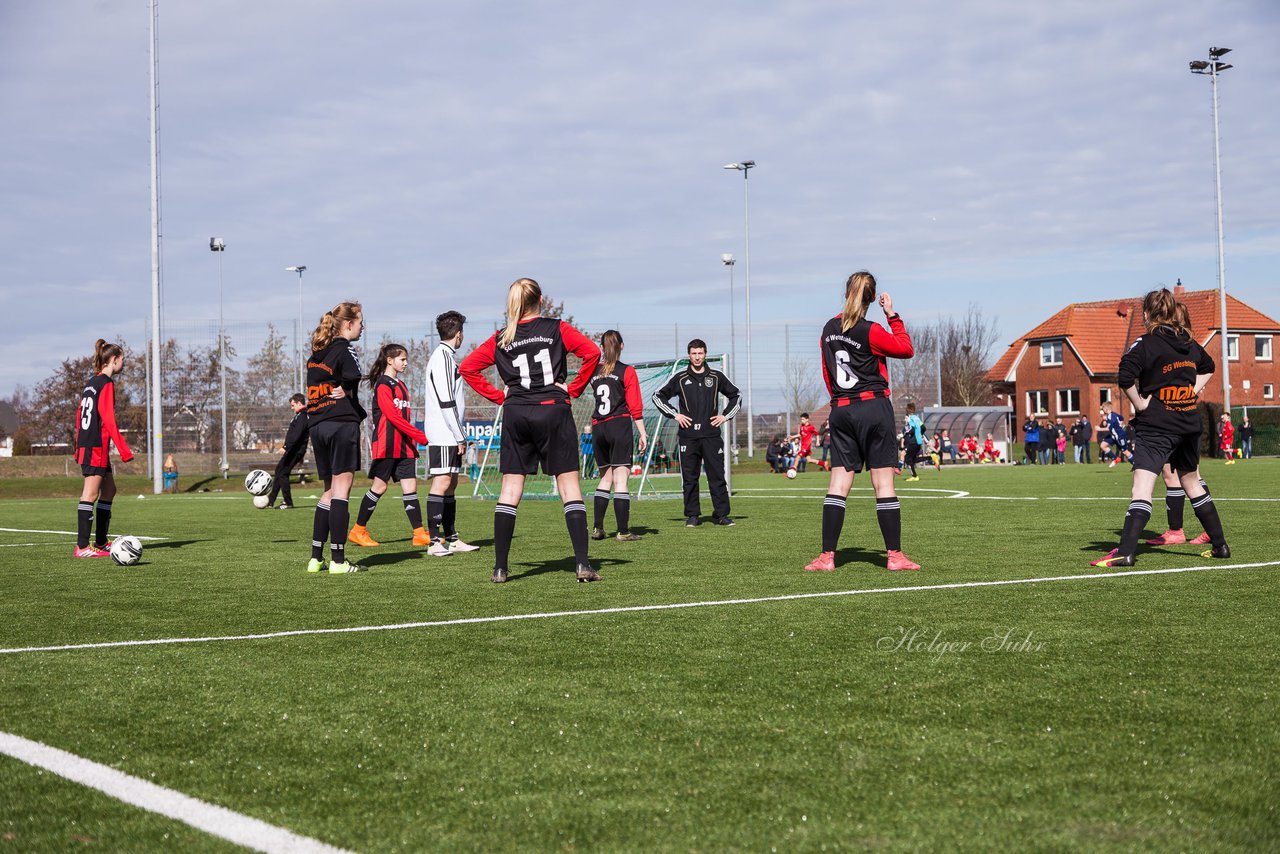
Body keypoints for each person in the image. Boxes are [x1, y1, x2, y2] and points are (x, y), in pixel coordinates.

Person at [460, 277, 602, 583]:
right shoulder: (557, 328)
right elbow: (592, 353)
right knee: (569, 486)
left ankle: (500, 568)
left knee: (510, 489)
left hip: (517, 413)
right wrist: (574, 389)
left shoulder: (502, 337)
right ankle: (582, 564)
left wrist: (501, 397)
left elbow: (467, 368)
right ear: (541, 300)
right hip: (553, 409)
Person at [1091, 289, 1230, 567]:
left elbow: (1125, 375)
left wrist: (1140, 404)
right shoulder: (1188, 341)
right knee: (1192, 482)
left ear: (1146, 314)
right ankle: (1220, 546)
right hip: (1189, 422)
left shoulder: (1145, 343)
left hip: (1158, 424)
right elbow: (1209, 365)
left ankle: (1125, 552)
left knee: (1141, 488)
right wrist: (1192, 390)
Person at [804, 271, 919, 572]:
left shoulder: (829, 328)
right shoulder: (871, 330)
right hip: (873, 408)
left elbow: (828, 374)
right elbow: (906, 349)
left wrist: (838, 404)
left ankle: (827, 557)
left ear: (846, 293)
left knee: (838, 484)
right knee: (883, 484)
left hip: (841, 410)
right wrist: (892, 315)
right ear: (871, 297)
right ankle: (894, 556)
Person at [348, 342, 432, 552]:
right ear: (390, 360)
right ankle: (358, 530)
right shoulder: (383, 385)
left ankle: (419, 533)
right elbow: (393, 417)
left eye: (405, 360)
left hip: (404, 446)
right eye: (402, 359)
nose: (405, 363)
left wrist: (412, 439)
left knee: (410, 487)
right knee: (380, 487)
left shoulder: (401, 385)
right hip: (387, 445)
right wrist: (419, 435)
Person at [305, 301, 368, 574]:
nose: (363, 326)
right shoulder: (344, 347)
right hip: (340, 423)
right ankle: (339, 562)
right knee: (342, 492)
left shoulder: (316, 353)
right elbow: (354, 374)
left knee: (328, 492)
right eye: (361, 321)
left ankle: (316, 558)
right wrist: (346, 387)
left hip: (317, 425)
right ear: (348, 323)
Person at [652, 339, 741, 527]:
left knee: (717, 476)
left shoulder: (716, 377)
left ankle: (721, 514)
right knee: (690, 478)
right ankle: (693, 515)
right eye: (694, 353)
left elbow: (736, 395)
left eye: (700, 353)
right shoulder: (680, 378)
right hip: (688, 437)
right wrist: (675, 414)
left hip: (711, 436)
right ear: (689, 355)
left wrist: (725, 416)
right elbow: (657, 396)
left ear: (705, 354)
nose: (697, 357)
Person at [421, 311, 480, 555]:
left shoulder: (447, 357)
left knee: (452, 482)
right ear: (459, 334)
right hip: (443, 432)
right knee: (442, 481)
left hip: (449, 431)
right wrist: (459, 436)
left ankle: (452, 538)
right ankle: (434, 542)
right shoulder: (443, 357)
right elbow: (446, 401)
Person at [73, 339, 133, 558]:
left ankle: (100, 542)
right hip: (95, 446)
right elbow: (108, 419)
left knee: (109, 490)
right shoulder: (106, 384)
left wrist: (79, 445)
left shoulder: (91, 382)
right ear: (114, 360)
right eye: (123, 359)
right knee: (90, 493)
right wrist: (124, 451)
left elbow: (80, 415)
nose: (123, 363)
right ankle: (82, 547)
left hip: (89, 444)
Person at [589, 330, 648, 541]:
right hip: (618, 425)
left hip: (598, 427)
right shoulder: (627, 371)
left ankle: (597, 528)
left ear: (602, 348)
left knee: (605, 479)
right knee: (621, 480)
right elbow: (635, 407)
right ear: (621, 346)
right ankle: (623, 531)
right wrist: (643, 433)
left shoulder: (593, 372)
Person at [265, 393, 308, 509]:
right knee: (279, 470)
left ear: (299, 403)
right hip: (292, 449)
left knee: (283, 473)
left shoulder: (303, 416)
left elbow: (297, 434)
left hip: (296, 450)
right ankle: (270, 500)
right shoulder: (298, 415)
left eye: (293, 405)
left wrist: (285, 447)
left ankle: (288, 502)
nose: (291, 407)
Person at [902, 403, 924, 481]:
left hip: (912, 441)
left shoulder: (910, 418)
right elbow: (923, 428)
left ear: (907, 410)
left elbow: (912, 429)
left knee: (908, 459)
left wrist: (907, 433)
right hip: (918, 441)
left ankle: (914, 476)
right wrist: (919, 435)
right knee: (912, 459)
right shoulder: (917, 418)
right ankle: (931, 457)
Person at [1100, 402, 1125, 467]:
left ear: (1106, 409)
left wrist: (1099, 429)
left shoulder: (1111, 415)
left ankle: (1136, 465)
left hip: (1118, 435)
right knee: (1103, 445)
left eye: (1103, 409)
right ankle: (1115, 459)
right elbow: (1121, 418)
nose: (1102, 410)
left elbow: (1109, 428)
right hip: (1113, 435)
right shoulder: (1111, 415)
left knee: (1125, 451)